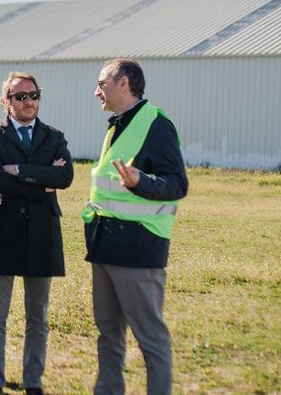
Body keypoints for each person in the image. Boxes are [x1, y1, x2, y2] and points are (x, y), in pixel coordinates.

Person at [82, 58, 188, 395]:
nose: (97, 90)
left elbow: (177, 185)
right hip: (106, 246)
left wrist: (140, 181)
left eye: (102, 83)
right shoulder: (117, 124)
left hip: (139, 251)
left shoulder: (156, 124)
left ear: (123, 82)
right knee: (108, 332)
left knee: (150, 337)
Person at [0, 71, 73, 395]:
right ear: (6, 101)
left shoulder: (54, 136)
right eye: (21, 96)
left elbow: (66, 179)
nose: (29, 102)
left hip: (41, 234)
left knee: (38, 317)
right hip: (3, 233)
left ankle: (33, 382)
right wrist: (43, 180)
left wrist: (20, 171)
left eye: (33, 95)